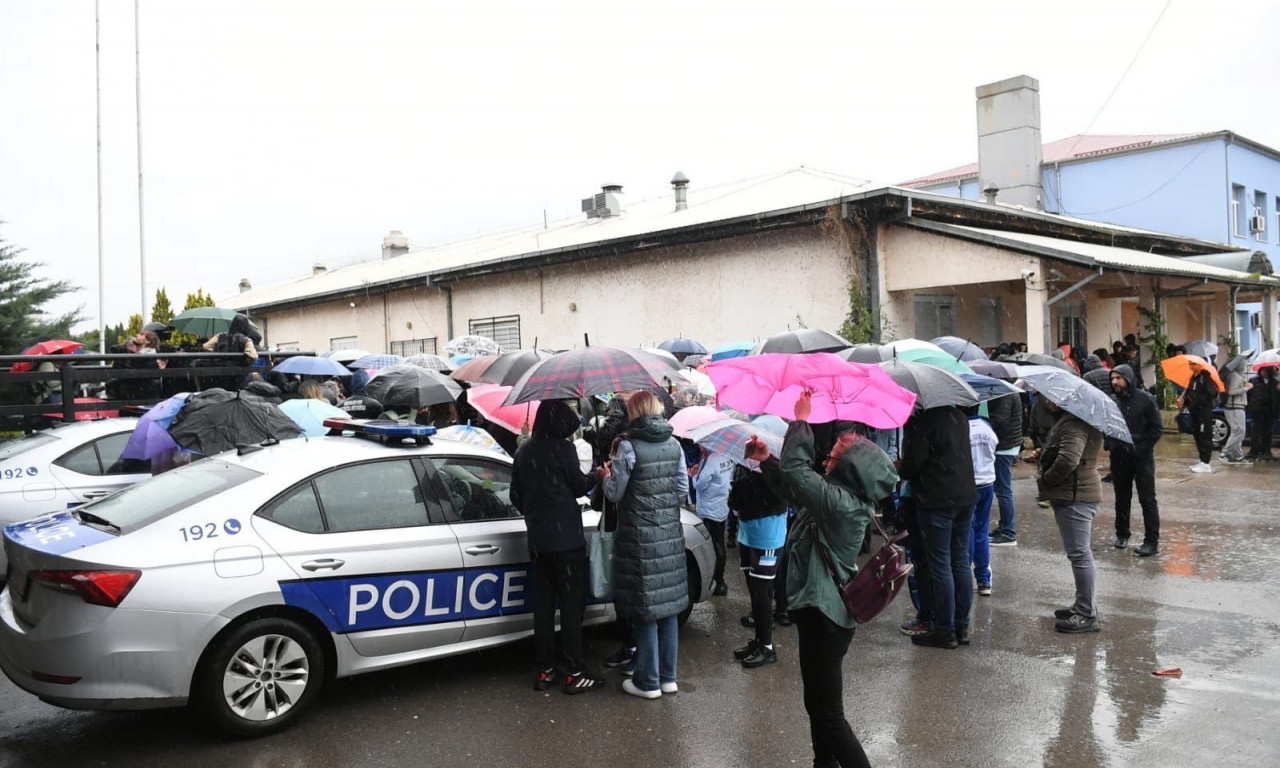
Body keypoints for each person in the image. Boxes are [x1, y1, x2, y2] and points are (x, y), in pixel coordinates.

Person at [747, 391, 896, 768]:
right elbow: (796, 488)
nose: (826, 459)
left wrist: (802, 421)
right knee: (817, 704)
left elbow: (800, 474)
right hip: (819, 614)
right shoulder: (835, 498)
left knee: (828, 713)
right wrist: (768, 462)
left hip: (828, 619)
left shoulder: (841, 504)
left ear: (851, 469)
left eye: (833, 457)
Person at [510, 400, 605, 695]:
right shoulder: (564, 449)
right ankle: (574, 671)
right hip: (567, 542)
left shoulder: (524, 450)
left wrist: (535, 510)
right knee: (570, 607)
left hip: (538, 541)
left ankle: (545, 669)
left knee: (543, 609)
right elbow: (579, 487)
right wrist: (596, 477)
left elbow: (515, 494)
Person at [603, 391, 689, 699]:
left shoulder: (627, 445)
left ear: (633, 412)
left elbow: (615, 493)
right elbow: (681, 487)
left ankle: (648, 681)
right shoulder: (675, 444)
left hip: (639, 538)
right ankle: (668, 678)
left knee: (645, 610)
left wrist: (606, 475)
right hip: (669, 537)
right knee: (667, 610)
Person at [897, 404, 976, 649]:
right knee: (960, 561)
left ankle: (944, 630)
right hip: (964, 496)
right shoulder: (959, 416)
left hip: (936, 500)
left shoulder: (923, 422)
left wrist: (899, 462)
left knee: (940, 564)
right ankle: (960, 626)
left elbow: (911, 466)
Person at [1038, 399, 1104, 633]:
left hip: (1076, 496)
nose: (1049, 402)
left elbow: (1069, 459)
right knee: (1079, 554)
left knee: (1080, 555)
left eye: (1054, 398)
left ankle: (1086, 614)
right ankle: (1083, 604)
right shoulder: (1076, 420)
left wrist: (1047, 477)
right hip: (1077, 493)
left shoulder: (1074, 423)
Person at [727, 456, 789, 668]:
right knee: (754, 590)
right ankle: (759, 640)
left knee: (763, 592)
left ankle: (767, 647)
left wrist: (743, 488)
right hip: (747, 535)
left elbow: (782, 495)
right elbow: (734, 502)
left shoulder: (776, 471)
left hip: (768, 538)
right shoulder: (744, 467)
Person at [1109, 365, 1163, 557]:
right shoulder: (1112, 401)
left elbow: (1157, 429)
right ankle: (1122, 534)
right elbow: (1106, 426)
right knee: (1121, 498)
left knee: (1147, 499)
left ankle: (1151, 541)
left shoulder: (1146, 399)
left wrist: (1141, 449)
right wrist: (1111, 444)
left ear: (1128, 378)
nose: (1115, 381)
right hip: (1119, 457)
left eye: (1119, 378)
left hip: (1142, 457)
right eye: (1113, 378)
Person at [692, 446, 734, 597]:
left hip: (710, 509)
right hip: (721, 506)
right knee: (719, 542)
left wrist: (694, 476)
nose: (699, 446)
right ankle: (720, 580)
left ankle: (717, 580)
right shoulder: (725, 455)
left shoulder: (711, 460)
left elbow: (700, 485)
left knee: (714, 545)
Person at [967, 409, 997, 599]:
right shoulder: (987, 427)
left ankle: (964, 576)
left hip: (970, 484)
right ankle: (983, 579)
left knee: (967, 532)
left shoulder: (963, 428)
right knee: (982, 532)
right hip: (988, 482)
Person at [987, 384, 1022, 547]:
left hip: (1004, 447)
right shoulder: (1005, 391)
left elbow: (1000, 422)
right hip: (1005, 445)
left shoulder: (1004, 394)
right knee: (1002, 490)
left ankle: (1009, 532)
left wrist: (984, 422)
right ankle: (1004, 527)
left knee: (1003, 490)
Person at [1179, 368, 1219, 473]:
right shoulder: (1193, 378)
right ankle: (1202, 460)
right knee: (1197, 435)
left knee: (1204, 435)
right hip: (1195, 412)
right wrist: (1185, 400)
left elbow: (1212, 392)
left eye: (1193, 364)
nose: (1191, 366)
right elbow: (1190, 393)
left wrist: (1199, 398)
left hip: (1203, 412)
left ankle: (1206, 462)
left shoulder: (1206, 378)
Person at [1221, 360, 1252, 464]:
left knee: (1239, 431)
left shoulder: (1237, 376)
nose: (1245, 366)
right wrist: (1246, 388)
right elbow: (1231, 391)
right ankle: (1226, 452)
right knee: (1239, 431)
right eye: (1243, 364)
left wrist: (1244, 384)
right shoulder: (1234, 376)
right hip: (1234, 407)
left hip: (1238, 406)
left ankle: (1238, 455)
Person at [1247, 367, 1278, 461]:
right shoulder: (1253, 380)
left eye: (1265, 371)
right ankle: (1254, 451)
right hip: (1258, 409)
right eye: (1262, 371)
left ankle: (1266, 450)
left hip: (1269, 409)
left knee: (1268, 431)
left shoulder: (1274, 382)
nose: (1263, 373)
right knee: (1256, 431)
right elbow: (1249, 394)